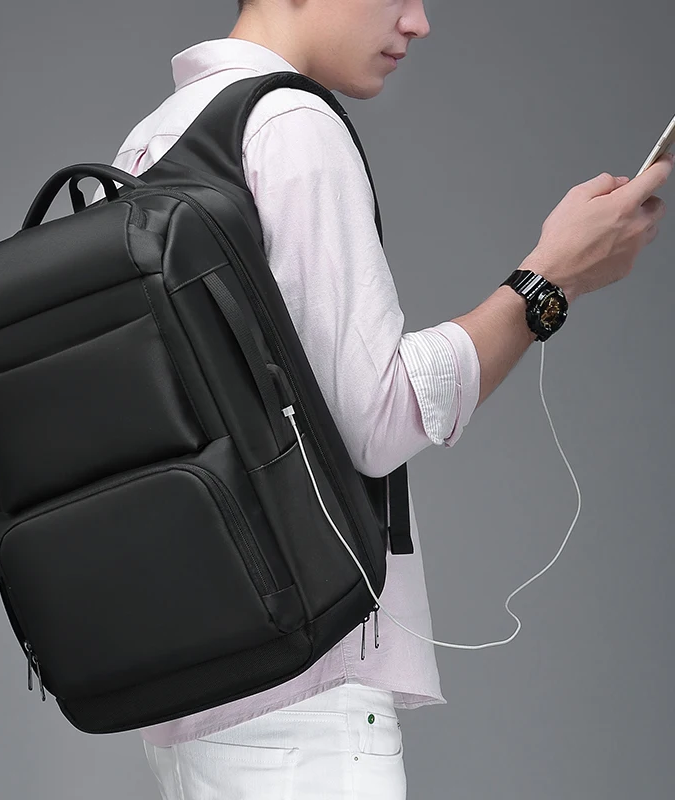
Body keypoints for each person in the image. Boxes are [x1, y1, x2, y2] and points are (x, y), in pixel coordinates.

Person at [91, 2, 673, 797]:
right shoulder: (288, 123)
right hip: (303, 691)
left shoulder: (152, 141)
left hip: (200, 687)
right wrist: (551, 281)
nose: (418, 20)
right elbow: (377, 418)